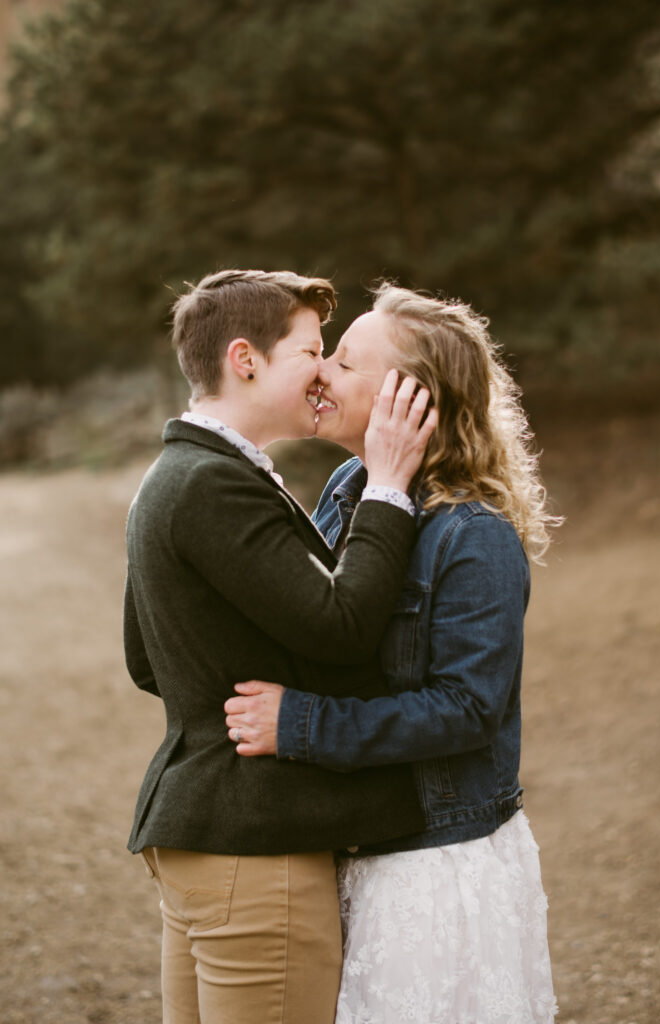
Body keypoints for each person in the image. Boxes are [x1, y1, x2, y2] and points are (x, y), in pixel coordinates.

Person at [225, 283, 559, 1023]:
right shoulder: (351, 489)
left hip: (437, 863)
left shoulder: (474, 535)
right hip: (360, 843)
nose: (321, 373)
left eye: (344, 362)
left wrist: (301, 725)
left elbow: (467, 709)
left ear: (410, 398)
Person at [124, 269, 438, 1024]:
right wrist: (390, 485)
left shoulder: (171, 475)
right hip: (254, 846)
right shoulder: (213, 484)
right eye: (310, 350)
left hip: (199, 842)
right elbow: (341, 624)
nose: (322, 371)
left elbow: (146, 658)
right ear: (245, 359)